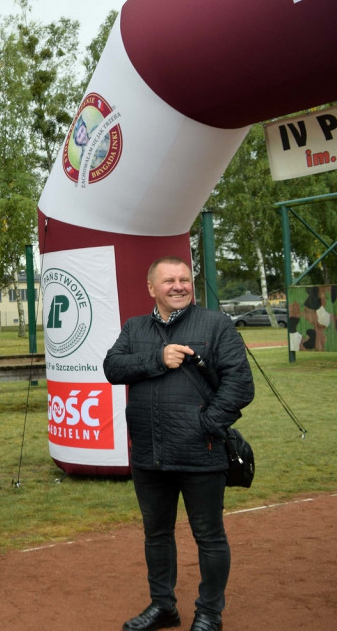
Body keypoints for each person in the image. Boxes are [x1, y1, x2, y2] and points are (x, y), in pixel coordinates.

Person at [103, 256, 254, 631]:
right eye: (169, 280)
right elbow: (112, 368)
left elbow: (240, 385)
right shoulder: (134, 327)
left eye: (185, 279)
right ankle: (163, 606)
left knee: (209, 536)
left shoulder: (216, 324)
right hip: (149, 455)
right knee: (156, 534)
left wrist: (205, 425)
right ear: (151, 288)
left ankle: (209, 613)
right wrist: (159, 357)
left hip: (200, 452)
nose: (179, 286)